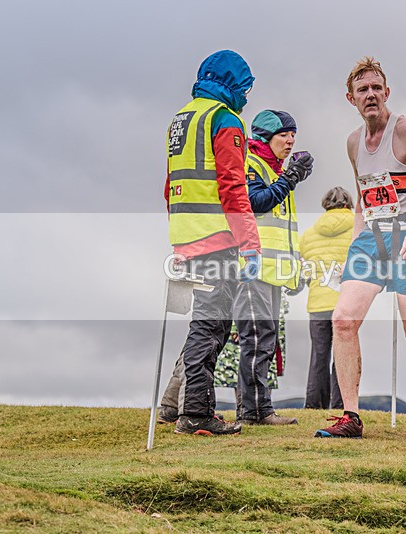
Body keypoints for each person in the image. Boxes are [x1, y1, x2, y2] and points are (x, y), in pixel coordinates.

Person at [315, 57, 406, 446]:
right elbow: (364, 196)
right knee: (343, 321)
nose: (371, 95)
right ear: (351, 98)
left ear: (387, 92)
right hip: (371, 238)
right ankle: (350, 416)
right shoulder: (353, 143)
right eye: (363, 90)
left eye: (377, 88)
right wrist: (355, 242)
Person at [163, 50, 261, 436]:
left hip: (188, 237)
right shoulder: (225, 119)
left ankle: (194, 407)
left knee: (208, 321)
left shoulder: (182, 119)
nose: (248, 96)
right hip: (218, 237)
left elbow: (170, 186)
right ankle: (195, 413)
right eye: (246, 87)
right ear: (233, 83)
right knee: (211, 323)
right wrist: (250, 244)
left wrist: (178, 240)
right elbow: (234, 187)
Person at [234, 109, 313, 426]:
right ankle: (254, 412)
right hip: (252, 269)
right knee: (257, 339)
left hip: (272, 273)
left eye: (294, 134)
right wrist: (291, 177)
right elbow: (258, 202)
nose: (291, 140)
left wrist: (295, 273)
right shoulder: (251, 164)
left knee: (266, 340)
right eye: (285, 134)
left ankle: (259, 409)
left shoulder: (275, 168)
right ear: (265, 137)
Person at [299, 187, 354, 409]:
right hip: (347, 301)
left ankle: (314, 404)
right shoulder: (358, 228)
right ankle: (341, 404)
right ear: (348, 204)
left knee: (319, 355)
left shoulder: (309, 235)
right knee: (344, 354)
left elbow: (304, 266)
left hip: (317, 302)